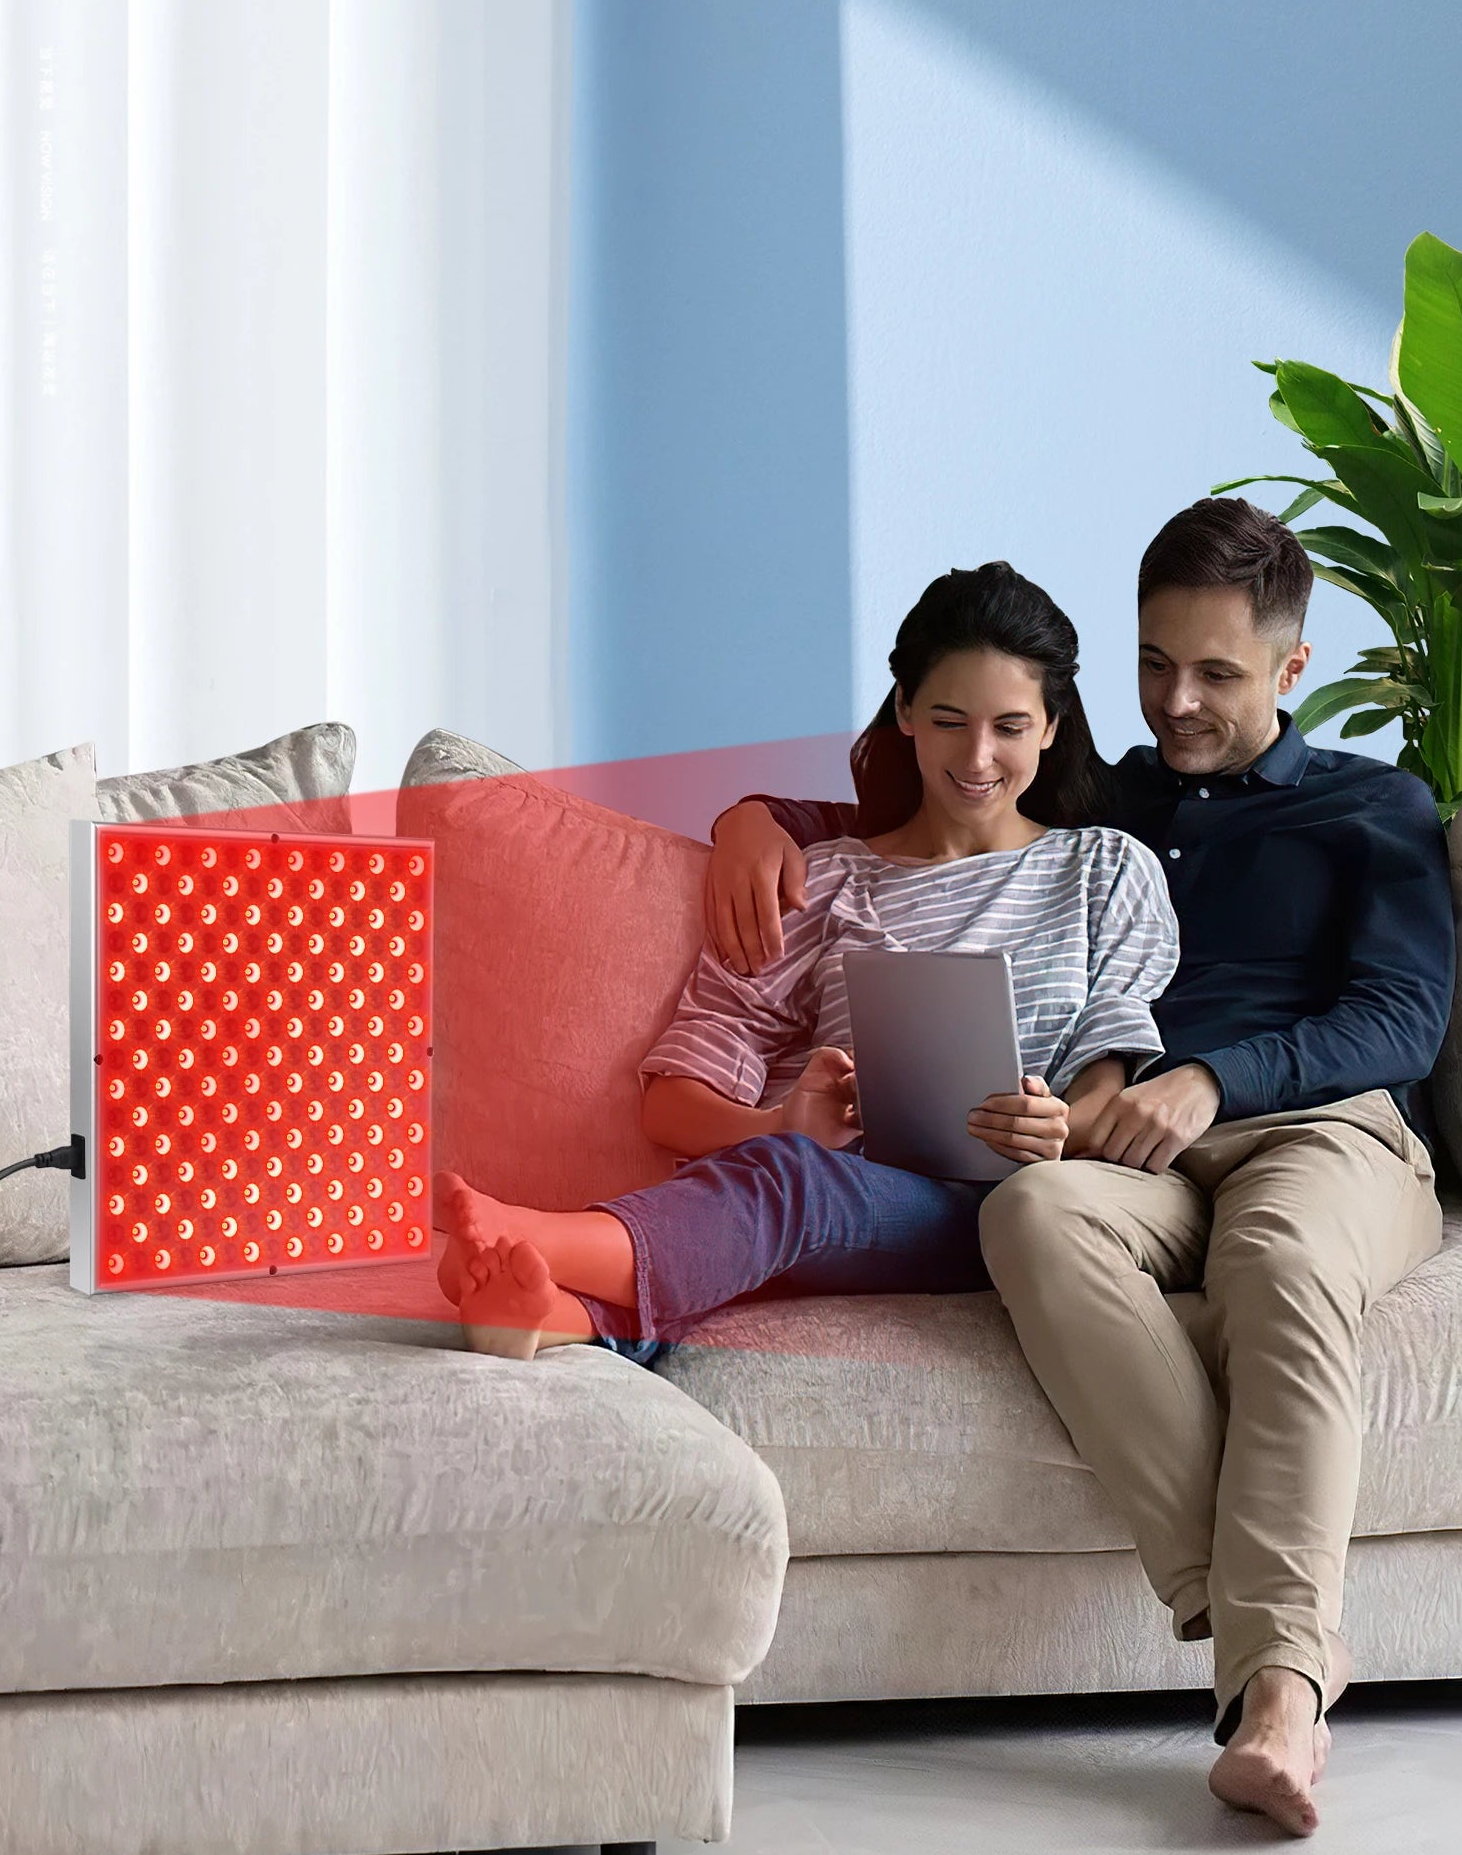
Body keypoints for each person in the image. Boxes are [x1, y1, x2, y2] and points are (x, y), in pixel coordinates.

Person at [705, 499, 1454, 1840]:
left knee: (1276, 1263)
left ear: (1291, 666)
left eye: (1216, 673)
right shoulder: (1114, 797)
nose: (1177, 702)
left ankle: (1279, 1691)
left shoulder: (1371, 806)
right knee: (1032, 1214)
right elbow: (945, 789)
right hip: (1128, 1154)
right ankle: (1263, 1627)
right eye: (1154, 664)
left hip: (1320, 1129)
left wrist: (1212, 1078)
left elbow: (1403, 1018)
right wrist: (749, 816)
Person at [433, 560, 1178, 1391]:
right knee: (782, 1178)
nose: (979, 756)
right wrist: (779, 1122)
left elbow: (1113, 1072)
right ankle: (553, 1314)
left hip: (1010, 1212)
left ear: (1051, 726)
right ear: (906, 712)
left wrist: (1062, 1127)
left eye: (1010, 726)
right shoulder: (824, 881)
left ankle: (532, 1236)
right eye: (949, 719)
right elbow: (670, 1102)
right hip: (847, 1192)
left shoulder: (1106, 871)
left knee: (793, 1185)